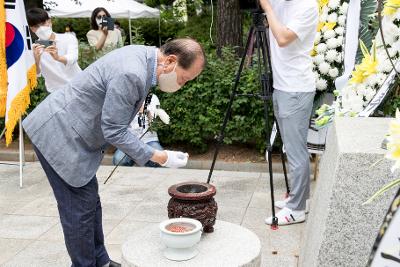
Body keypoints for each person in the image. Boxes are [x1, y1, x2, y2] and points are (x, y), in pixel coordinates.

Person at [22, 38, 206, 266]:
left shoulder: (145, 57)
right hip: (59, 134)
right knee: (78, 211)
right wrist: (160, 156)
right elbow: (113, 130)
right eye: (184, 78)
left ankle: (101, 261)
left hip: (71, 130)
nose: (182, 84)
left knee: (90, 202)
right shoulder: (132, 73)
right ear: (170, 61)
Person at [260, 0, 318, 226]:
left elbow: (283, 38)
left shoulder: (307, 6)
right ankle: (298, 198)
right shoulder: (280, 2)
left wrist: (268, 8)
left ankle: (297, 210)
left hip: (296, 89)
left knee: (296, 153)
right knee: (291, 149)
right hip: (282, 87)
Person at [27, 8, 81, 93]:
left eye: (43, 23)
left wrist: (58, 58)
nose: (41, 28)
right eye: (36, 26)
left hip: (79, 84)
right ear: (32, 29)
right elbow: (37, 74)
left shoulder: (68, 38)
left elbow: (73, 58)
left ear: (49, 22)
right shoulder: (33, 49)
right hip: (56, 92)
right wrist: (37, 61)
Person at [113, 94, 166, 167]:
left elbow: (153, 118)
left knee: (160, 160)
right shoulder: (125, 97)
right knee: (118, 160)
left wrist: (145, 110)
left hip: (149, 140)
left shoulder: (152, 97)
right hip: (128, 141)